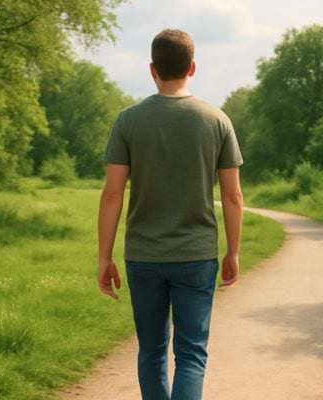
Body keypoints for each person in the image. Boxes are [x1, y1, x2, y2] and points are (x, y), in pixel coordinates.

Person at [97, 28, 244, 400]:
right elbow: (233, 195)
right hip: (196, 255)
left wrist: (104, 257)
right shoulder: (217, 120)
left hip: (142, 256)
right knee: (191, 353)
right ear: (192, 67)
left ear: (152, 70)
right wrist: (233, 251)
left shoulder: (128, 121)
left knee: (150, 352)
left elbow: (113, 193)